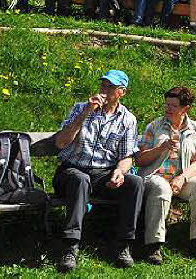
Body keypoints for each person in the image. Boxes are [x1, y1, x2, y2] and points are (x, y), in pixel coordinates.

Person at [52, 69, 143, 272]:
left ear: (122, 92)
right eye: (103, 85)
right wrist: (85, 114)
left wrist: (119, 171)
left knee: (135, 183)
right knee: (80, 179)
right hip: (71, 171)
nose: (104, 90)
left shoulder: (128, 119)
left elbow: (126, 156)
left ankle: (123, 245)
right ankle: (70, 246)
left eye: (110, 87)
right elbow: (60, 143)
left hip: (102, 174)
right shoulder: (80, 109)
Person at [135, 86, 196, 262]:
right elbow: (139, 160)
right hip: (155, 176)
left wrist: (182, 177)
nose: (168, 109)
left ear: (185, 109)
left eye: (173, 106)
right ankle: (154, 245)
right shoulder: (154, 126)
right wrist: (161, 148)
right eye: (167, 105)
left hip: (181, 178)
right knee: (161, 187)